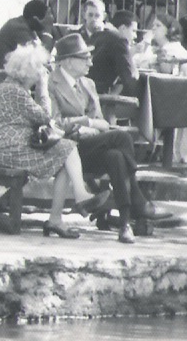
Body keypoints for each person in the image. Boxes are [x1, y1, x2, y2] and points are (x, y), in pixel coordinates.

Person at [48, 34, 171, 243]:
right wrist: (86, 122)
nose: (91, 62)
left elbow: (103, 123)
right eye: (85, 57)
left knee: (116, 156)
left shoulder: (88, 83)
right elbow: (53, 122)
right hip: (66, 150)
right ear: (68, 61)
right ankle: (138, 203)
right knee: (121, 137)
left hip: (89, 146)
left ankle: (124, 225)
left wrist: (87, 125)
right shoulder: (51, 83)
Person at [0, 43, 110, 239]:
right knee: (67, 147)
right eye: (40, 69)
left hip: (8, 146)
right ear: (27, 72)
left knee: (64, 159)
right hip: (8, 149)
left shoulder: (11, 88)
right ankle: (81, 195)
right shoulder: (14, 92)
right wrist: (43, 88)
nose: (43, 73)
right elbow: (45, 116)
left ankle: (56, 219)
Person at [79, 1, 138, 95]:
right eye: (90, 15)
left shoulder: (97, 37)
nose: (94, 19)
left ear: (104, 16)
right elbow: (130, 77)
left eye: (97, 15)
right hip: (100, 98)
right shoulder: (118, 40)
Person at [0, 0, 56, 69]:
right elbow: (40, 59)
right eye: (49, 14)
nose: (52, 18)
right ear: (35, 19)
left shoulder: (24, 24)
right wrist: (47, 29)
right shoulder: (18, 28)